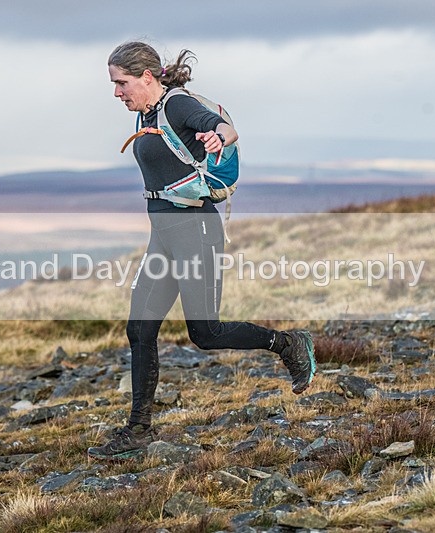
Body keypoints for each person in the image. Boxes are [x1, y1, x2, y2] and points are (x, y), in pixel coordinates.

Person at [87, 41, 316, 461]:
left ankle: (288, 343)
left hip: (196, 231)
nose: (117, 92)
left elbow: (227, 130)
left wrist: (216, 135)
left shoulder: (176, 106)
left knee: (205, 333)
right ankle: (138, 430)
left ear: (146, 77)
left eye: (121, 83)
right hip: (164, 235)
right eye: (114, 84)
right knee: (139, 330)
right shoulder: (148, 111)